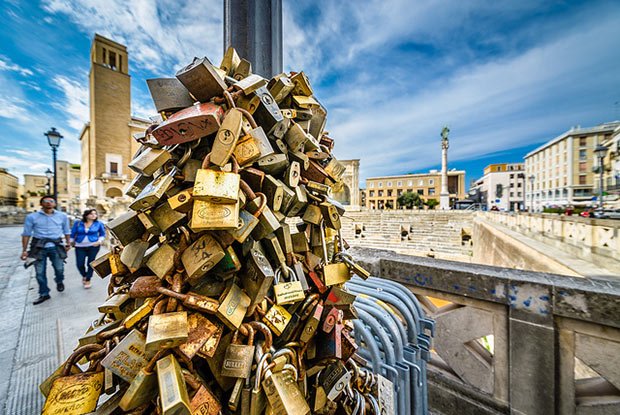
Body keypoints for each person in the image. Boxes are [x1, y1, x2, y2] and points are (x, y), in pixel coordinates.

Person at [21, 195, 71, 305]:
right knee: (39, 272)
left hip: (56, 246)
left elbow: (67, 231)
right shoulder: (32, 217)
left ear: (54, 203)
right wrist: (24, 250)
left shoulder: (62, 216)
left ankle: (59, 281)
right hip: (39, 247)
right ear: (41, 204)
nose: (49, 202)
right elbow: (26, 234)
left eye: (51, 201)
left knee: (59, 268)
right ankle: (44, 293)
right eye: (46, 201)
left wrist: (68, 243)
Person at [71, 209, 106, 289]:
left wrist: (99, 241)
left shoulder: (99, 223)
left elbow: (102, 234)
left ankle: (88, 279)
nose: (94, 215)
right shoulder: (78, 223)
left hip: (93, 246)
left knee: (91, 263)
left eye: (95, 214)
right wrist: (71, 242)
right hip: (79, 246)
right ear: (86, 215)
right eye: (91, 214)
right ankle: (84, 275)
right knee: (80, 264)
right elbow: (73, 233)